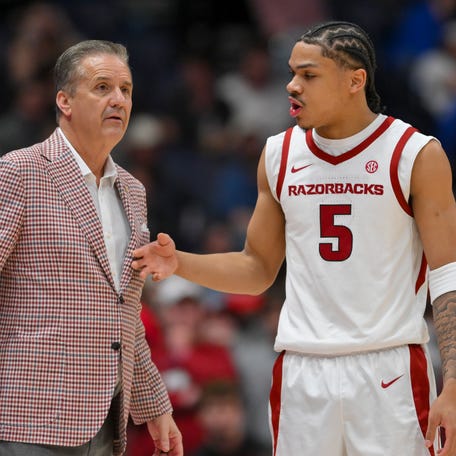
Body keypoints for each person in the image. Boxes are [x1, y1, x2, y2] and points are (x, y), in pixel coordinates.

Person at [132, 20, 456, 456]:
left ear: (354, 81)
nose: (292, 85)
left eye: (308, 74)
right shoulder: (279, 154)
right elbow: (257, 268)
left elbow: (449, 277)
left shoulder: (415, 153)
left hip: (390, 368)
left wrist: (453, 383)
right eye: (291, 73)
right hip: (302, 370)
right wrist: (180, 263)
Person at [0, 40, 183, 456]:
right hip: (28, 417)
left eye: (126, 89)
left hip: (105, 421)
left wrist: (154, 405)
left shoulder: (134, 192)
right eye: (102, 87)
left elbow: (125, 310)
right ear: (64, 100)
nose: (118, 99)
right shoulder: (20, 172)